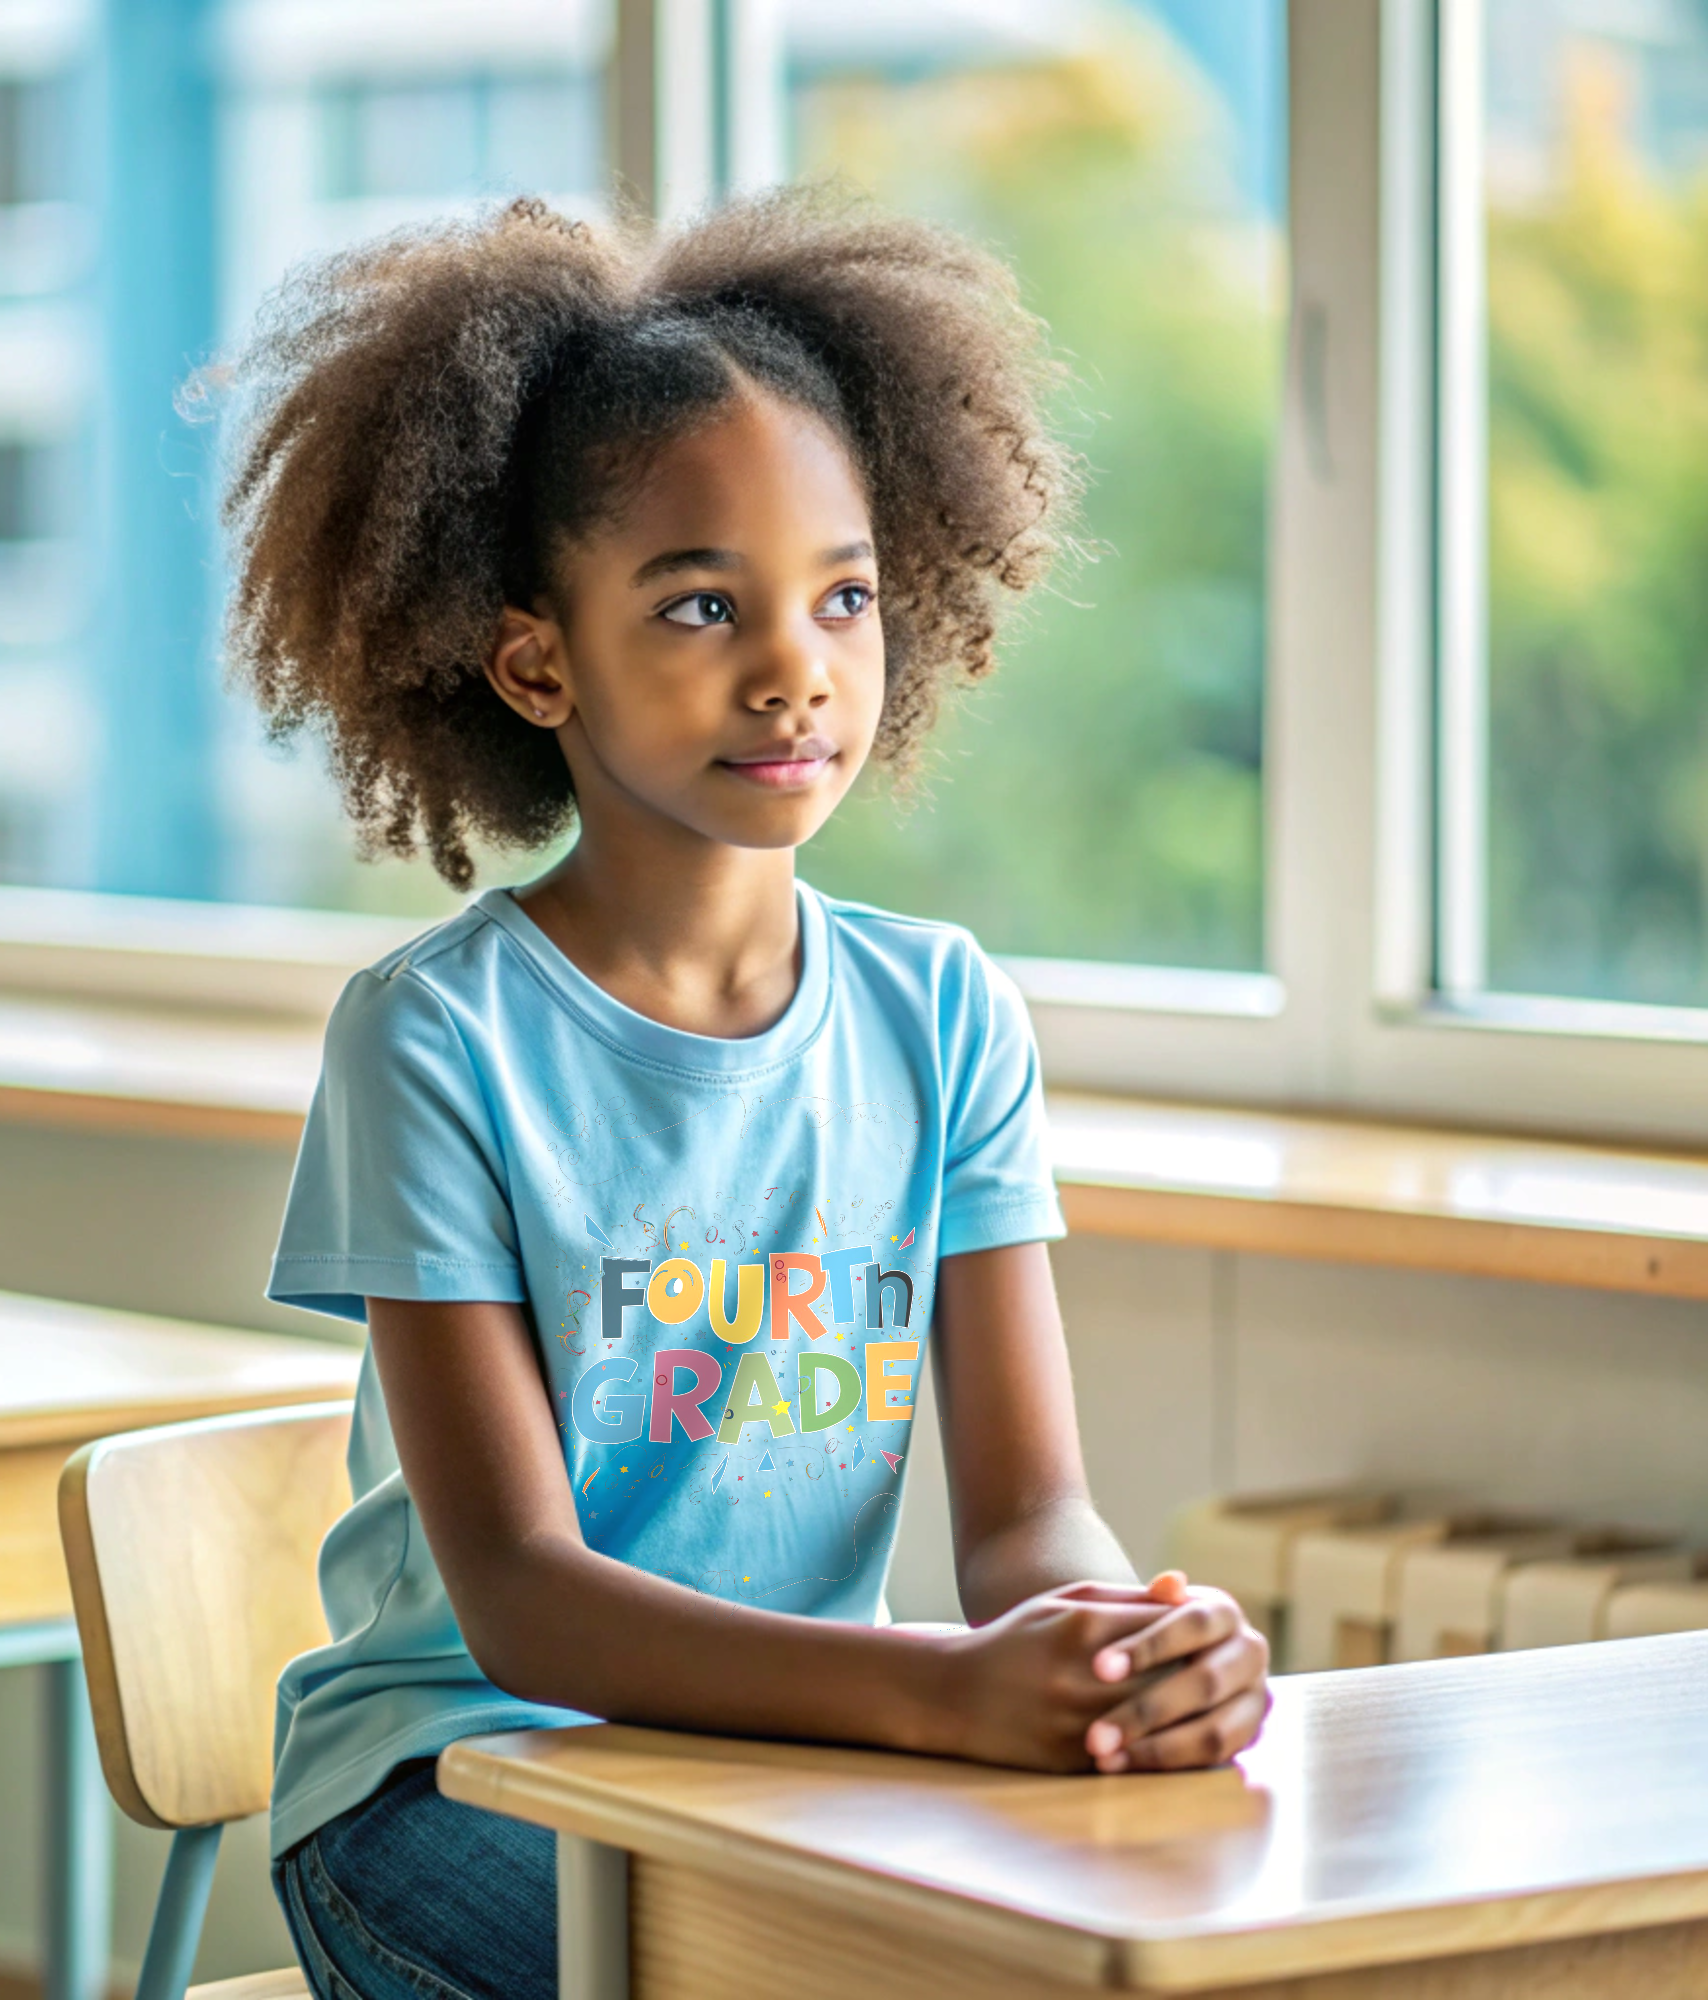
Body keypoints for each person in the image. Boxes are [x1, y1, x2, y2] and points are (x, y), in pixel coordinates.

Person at [227, 189, 1271, 2000]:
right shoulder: (435, 1042)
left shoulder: (943, 1017)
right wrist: (943, 1693)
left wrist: (1117, 1644)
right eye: (704, 604)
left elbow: (1027, 1516)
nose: (797, 666)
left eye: (844, 596)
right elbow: (525, 1596)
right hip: (454, 1783)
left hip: (788, 1768)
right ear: (536, 659)